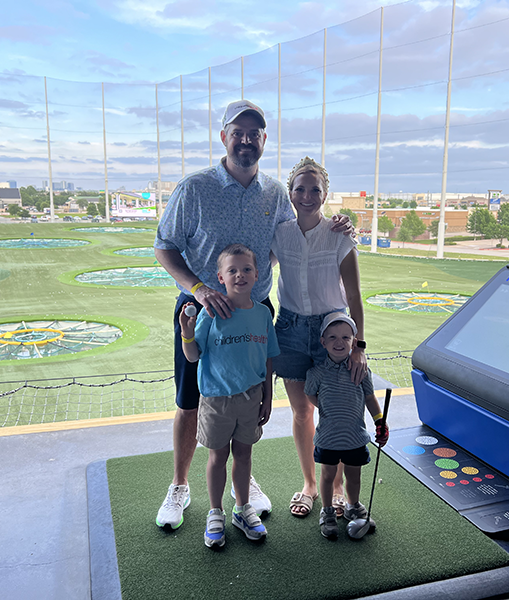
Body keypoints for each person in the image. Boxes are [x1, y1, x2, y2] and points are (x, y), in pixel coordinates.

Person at [154, 101, 352, 529]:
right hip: (202, 309)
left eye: (254, 134)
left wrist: (340, 227)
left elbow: (295, 235)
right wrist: (201, 289)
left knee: (248, 399)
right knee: (191, 402)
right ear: (224, 137)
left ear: (263, 141)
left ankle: (242, 486)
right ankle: (179, 486)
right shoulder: (194, 188)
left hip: (256, 310)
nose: (246, 140)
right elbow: (164, 247)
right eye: (237, 132)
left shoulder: (275, 192)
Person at [270, 156, 367, 519]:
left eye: (314, 189)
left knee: (334, 412)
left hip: (334, 333)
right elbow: (257, 267)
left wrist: (358, 347)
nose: (306, 195)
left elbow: (355, 297)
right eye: (299, 188)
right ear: (290, 193)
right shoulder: (279, 233)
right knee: (301, 412)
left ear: (325, 194)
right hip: (292, 331)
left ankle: (337, 487)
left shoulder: (340, 234)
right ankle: (310, 484)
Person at [179, 244, 278, 548]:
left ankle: (243, 508)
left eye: (246, 268)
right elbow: (194, 356)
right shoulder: (211, 314)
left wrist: (268, 396)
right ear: (220, 277)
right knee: (218, 456)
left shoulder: (262, 314)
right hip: (216, 400)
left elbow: (268, 358)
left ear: (257, 274)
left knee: (244, 455)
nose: (240, 275)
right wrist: (187, 332)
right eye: (232, 270)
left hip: (251, 398)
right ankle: (215, 512)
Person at [304, 312, 388, 539]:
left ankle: (352, 505)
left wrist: (379, 421)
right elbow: (311, 394)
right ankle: (327, 510)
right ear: (323, 342)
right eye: (332, 337)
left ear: (354, 341)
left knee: (354, 475)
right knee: (328, 475)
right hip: (328, 437)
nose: (339, 342)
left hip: (355, 436)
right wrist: (326, 407)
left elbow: (370, 398)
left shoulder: (361, 371)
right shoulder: (316, 373)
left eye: (345, 337)